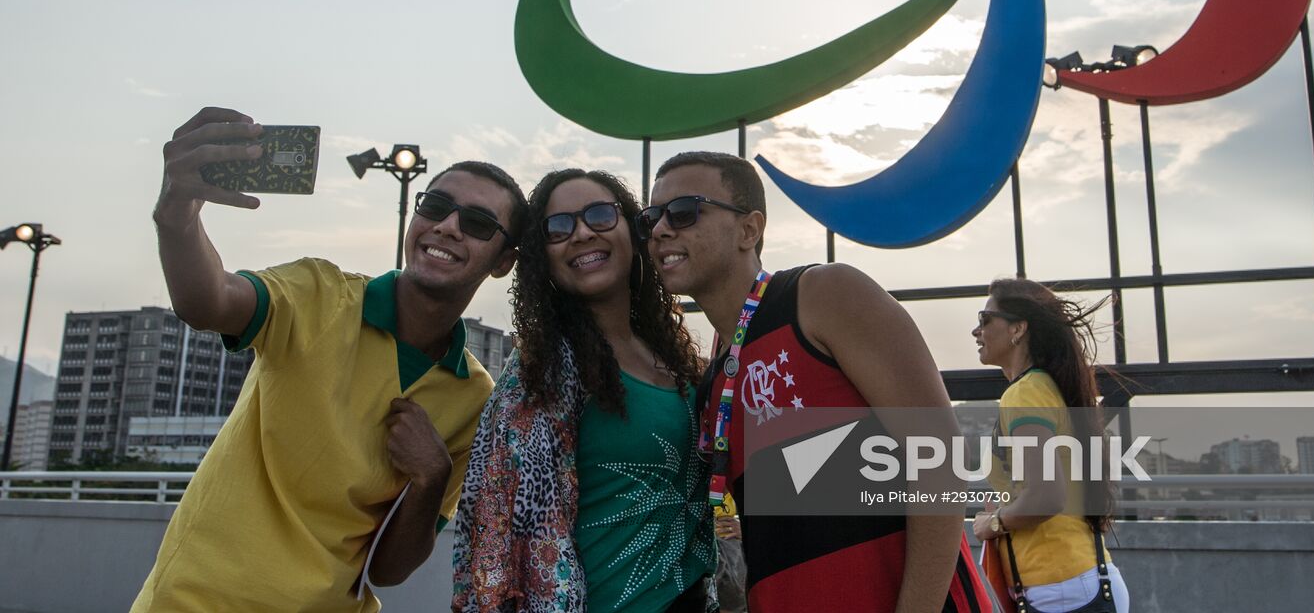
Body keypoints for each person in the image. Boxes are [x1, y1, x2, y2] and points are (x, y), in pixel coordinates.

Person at [132, 107, 526, 612]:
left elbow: (387, 569)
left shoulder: (475, 398)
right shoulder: (317, 293)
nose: (448, 226)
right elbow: (206, 301)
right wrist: (176, 214)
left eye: (476, 222)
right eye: (435, 205)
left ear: (503, 262)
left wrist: (429, 479)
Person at [644, 151, 990, 613]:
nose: (662, 228)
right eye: (652, 217)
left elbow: (938, 457)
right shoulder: (715, 377)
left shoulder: (821, 296)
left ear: (749, 229)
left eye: (684, 211)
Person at [453, 168, 715, 613]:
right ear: (543, 258)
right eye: (558, 228)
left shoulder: (673, 358)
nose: (580, 234)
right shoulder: (542, 372)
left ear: (633, 231)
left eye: (599, 216)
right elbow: (495, 535)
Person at [970, 278, 1129, 612]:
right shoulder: (1044, 387)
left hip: (1064, 593)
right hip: (1072, 586)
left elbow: (1045, 496)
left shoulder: (1025, 393)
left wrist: (994, 522)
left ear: (1018, 329)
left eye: (984, 319)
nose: (976, 331)